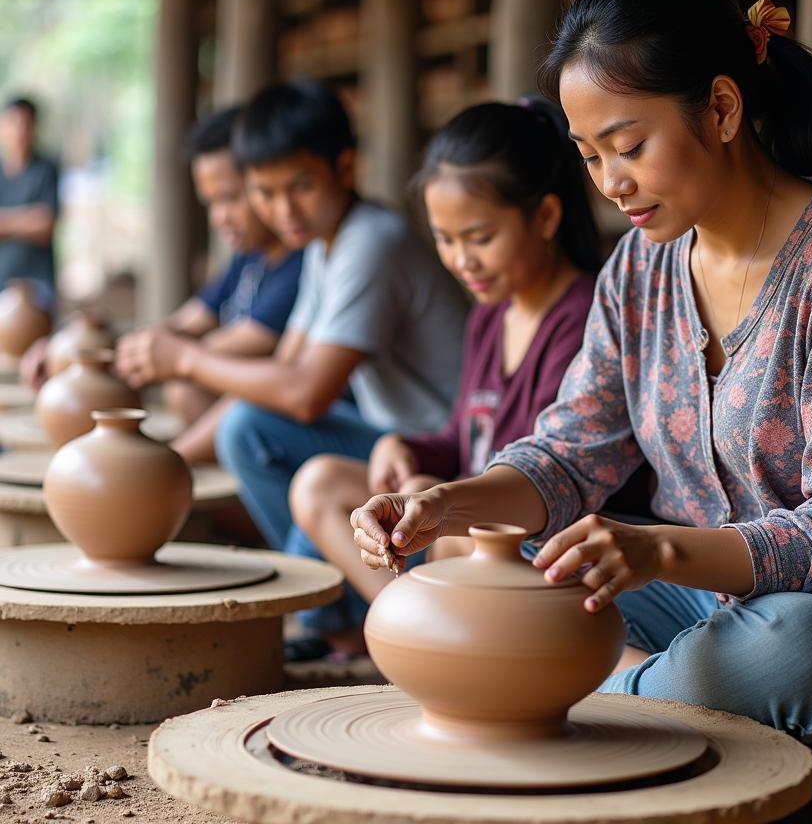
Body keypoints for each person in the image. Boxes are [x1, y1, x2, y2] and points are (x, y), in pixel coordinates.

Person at [350, 0, 812, 792]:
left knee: (786, 647)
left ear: (722, 108)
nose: (611, 184)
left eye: (629, 147)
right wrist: (449, 504)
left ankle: (604, 702)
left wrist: (655, 549)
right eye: (588, 157)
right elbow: (574, 450)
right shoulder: (638, 270)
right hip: (703, 609)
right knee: (510, 568)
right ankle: (646, 698)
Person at [117, 79, 467, 587]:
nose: (284, 210)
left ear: (345, 167)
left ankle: (335, 607)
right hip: (388, 436)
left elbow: (305, 395)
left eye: (300, 186)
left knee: (248, 428)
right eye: (265, 192)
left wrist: (188, 361)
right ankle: (329, 605)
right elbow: (284, 367)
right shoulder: (326, 244)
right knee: (247, 419)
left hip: (436, 450)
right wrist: (168, 459)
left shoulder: (371, 242)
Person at [288, 99, 603, 651]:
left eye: (480, 238)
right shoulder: (489, 316)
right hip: (462, 517)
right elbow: (464, 436)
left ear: (546, 218)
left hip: (532, 537)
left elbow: (551, 471)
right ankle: (413, 632)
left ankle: (431, 641)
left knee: (437, 522)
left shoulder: (583, 318)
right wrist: (405, 447)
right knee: (319, 483)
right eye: (446, 239)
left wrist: (430, 492)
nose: (462, 261)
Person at [108, 106, 304, 464]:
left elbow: (235, 345)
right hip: (251, 419)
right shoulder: (251, 257)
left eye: (230, 199)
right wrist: (107, 348)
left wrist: (165, 461)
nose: (219, 218)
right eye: (211, 202)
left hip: (295, 429)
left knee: (188, 386)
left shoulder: (301, 265)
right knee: (184, 385)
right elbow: (189, 321)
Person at [0, 97, 59, 307]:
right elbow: (37, 220)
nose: (20, 131)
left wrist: (4, 222)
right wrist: (26, 220)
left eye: (27, 124)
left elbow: (45, 224)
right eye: (14, 123)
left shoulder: (46, 169)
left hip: (38, 285)